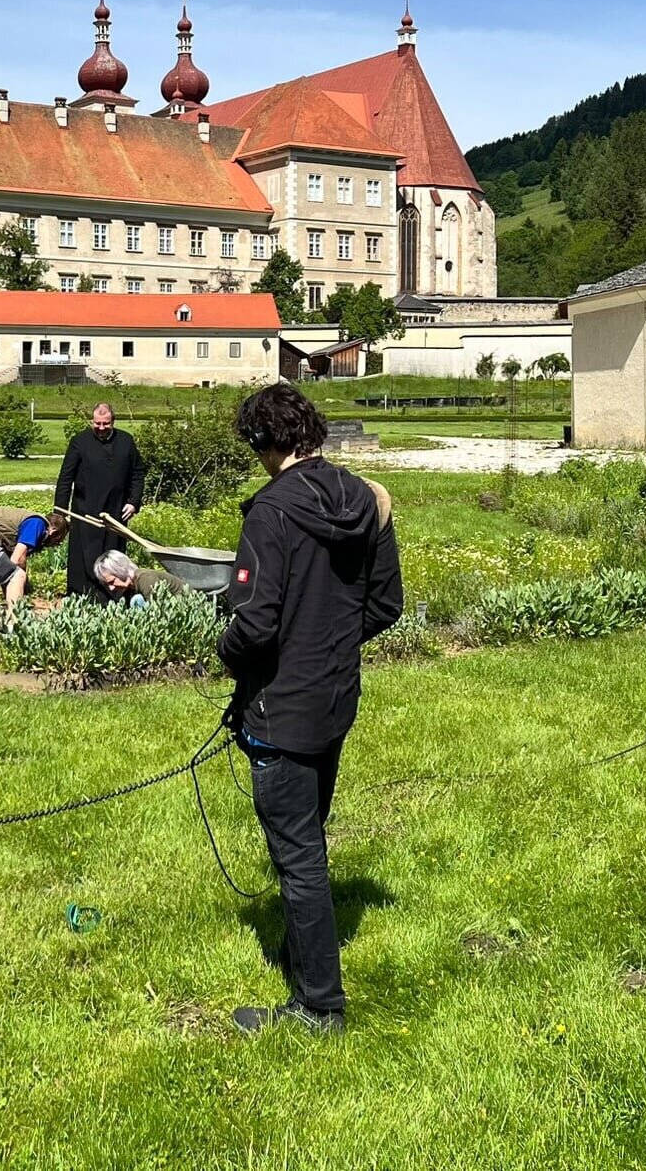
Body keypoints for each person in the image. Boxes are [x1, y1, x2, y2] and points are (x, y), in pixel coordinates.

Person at [218, 383, 402, 1035]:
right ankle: (312, 971)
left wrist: (227, 649)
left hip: (284, 708)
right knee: (307, 842)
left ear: (264, 443)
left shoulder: (269, 513)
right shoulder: (367, 500)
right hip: (334, 699)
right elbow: (384, 606)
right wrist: (326, 642)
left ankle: (318, 1006)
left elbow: (256, 623)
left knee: (299, 857)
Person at [53, 403, 145, 600]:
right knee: (85, 556)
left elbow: (137, 474)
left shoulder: (126, 442)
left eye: (106, 424)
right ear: (91, 421)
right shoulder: (80, 441)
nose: (101, 428)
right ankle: (82, 596)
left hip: (116, 512)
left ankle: (112, 597)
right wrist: (59, 514)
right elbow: (65, 478)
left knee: (113, 556)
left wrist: (134, 502)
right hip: (85, 511)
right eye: (97, 423)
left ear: (113, 421)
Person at [91, 550, 193, 606]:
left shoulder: (145, 579)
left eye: (112, 581)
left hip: (189, 608)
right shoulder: (131, 587)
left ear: (121, 569)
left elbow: (159, 612)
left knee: (137, 601)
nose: (111, 588)